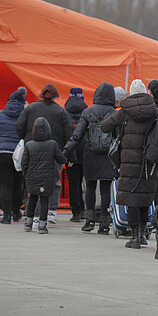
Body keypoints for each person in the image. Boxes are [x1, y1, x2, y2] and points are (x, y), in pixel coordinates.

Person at [102, 79, 158, 248]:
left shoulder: (124, 111)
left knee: (131, 197)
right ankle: (143, 233)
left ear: (131, 93)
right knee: (144, 197)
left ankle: (135, 236)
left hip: (128, 160)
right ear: (146, 93)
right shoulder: (156, 112)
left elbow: (105, 126)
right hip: (150, 161)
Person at [64, 82, 118, 235]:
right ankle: (105, 223)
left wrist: (66, 150)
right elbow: (119, 137)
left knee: (90, 187)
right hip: (108, 156)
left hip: (90, 154)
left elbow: (77, 136)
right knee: (106, 188)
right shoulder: (115, 113)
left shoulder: (88, 112)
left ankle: (89, 221)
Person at [16, 83, 73, 224]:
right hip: (54, 151)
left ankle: (33, 215)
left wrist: (27, 139)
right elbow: (69, 133)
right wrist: (68, 154)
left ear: (41, 95)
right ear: (55, 97)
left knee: (33, 182)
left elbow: (19, 126)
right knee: (54, 181)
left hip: (32, 150)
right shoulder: (61, 111)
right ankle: (52, 212)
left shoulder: (30, 108)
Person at [0, 87, 26, 224]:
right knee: (18, 184)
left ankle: (6, 216)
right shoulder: (25, 115)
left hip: (1, 153)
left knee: (5, 185)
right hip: (19, 154)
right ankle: (16, 213)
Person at [22, 117, 67, 234]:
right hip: (47, 178)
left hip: (32, 177)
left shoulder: (29, 145)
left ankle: (28, 223)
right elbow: (61, 159)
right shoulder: (52, 144)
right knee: (44, 200)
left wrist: (26, 175)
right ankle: (42, 225)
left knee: (32, 199)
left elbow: (24, 163)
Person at [64, 87, 88, 222]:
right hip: (86, 152)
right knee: (88, 184)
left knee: (74, 184)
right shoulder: (88, 112)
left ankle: (76, 212)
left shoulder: (64, 112)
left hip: (70, 152)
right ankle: (87, 211)